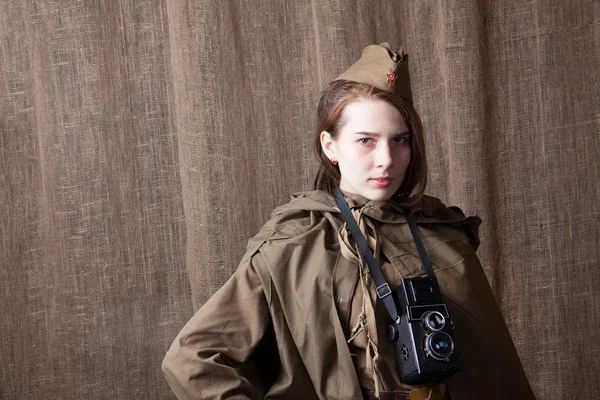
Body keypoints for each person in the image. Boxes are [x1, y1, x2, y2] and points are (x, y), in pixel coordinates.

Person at [162, 43, 535, 400]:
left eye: (400, 140)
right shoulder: (291, 244)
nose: (386, 159)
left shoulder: (442, 232)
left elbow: (492, 368)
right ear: (330, 145)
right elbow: (193, 358)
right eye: (366, 141)